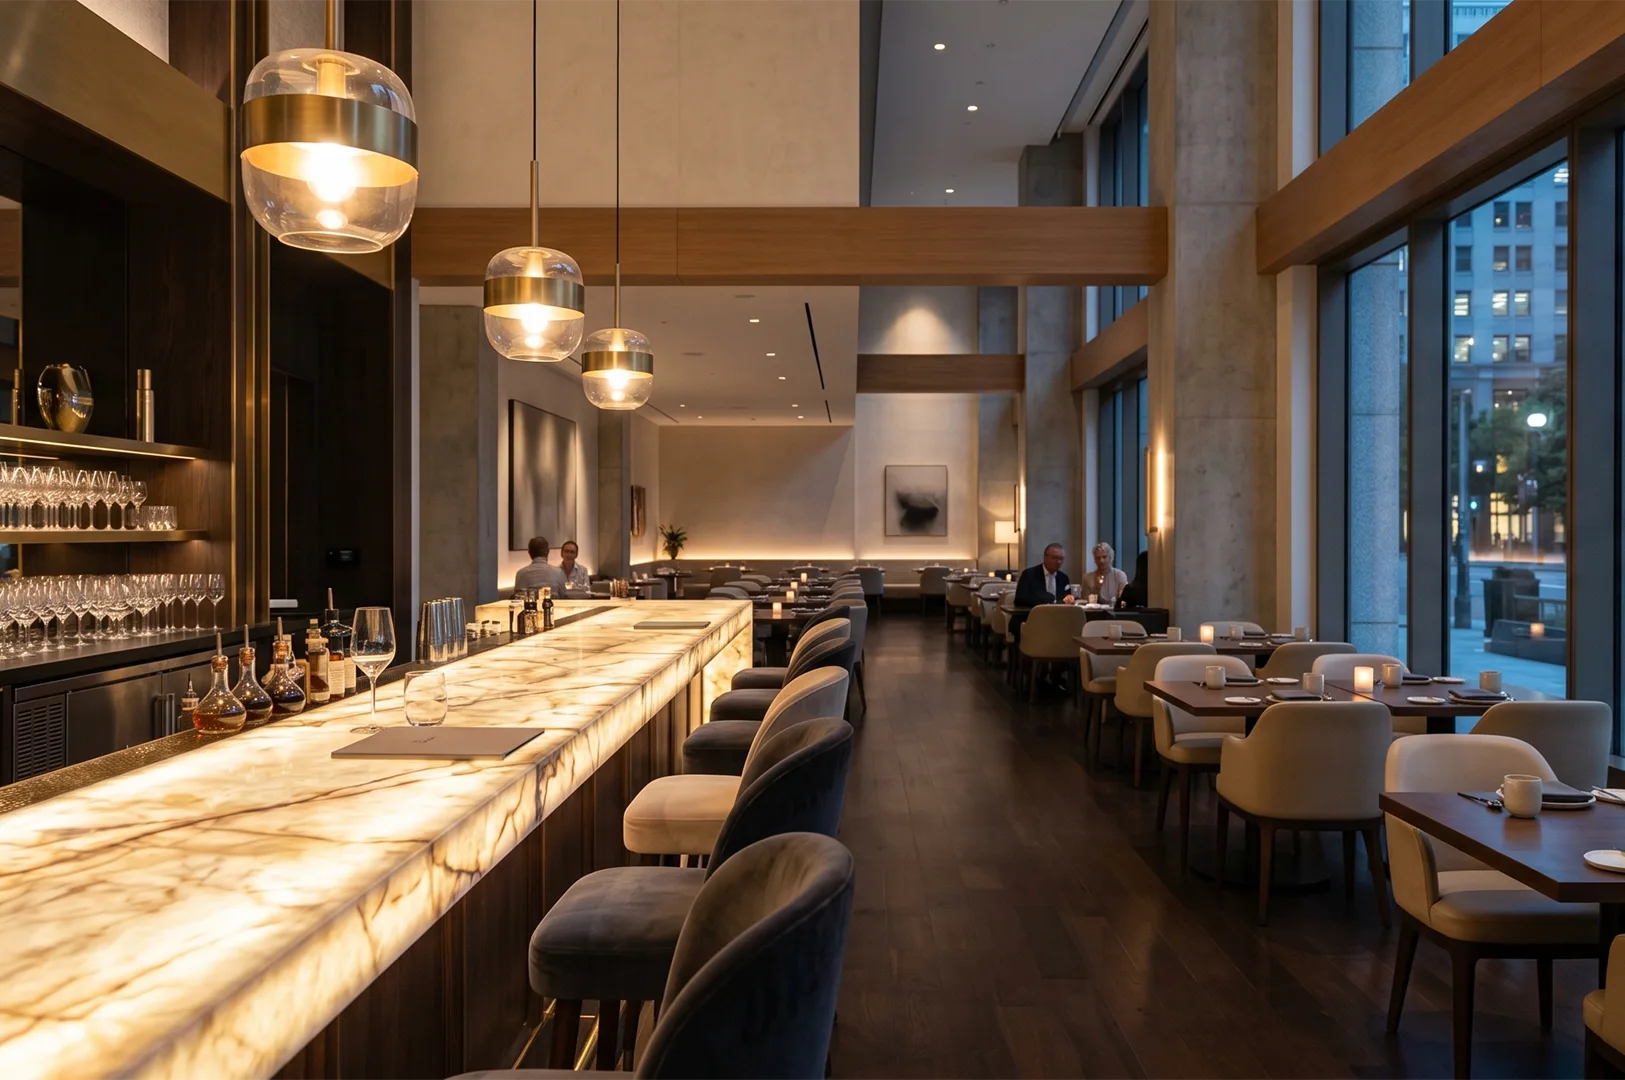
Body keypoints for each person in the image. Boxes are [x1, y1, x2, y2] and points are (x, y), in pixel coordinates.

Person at [1014, 543, 1075, 609]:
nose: (1058, 562)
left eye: (1061, 558)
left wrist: (1070, 599)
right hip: (1033, 615)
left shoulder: (1064, 578)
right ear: (1045, 557)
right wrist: (1047, 600)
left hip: (1057, 615)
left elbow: (1066, 600)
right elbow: (1019, 600)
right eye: (1055, 558)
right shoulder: (1029, 574)